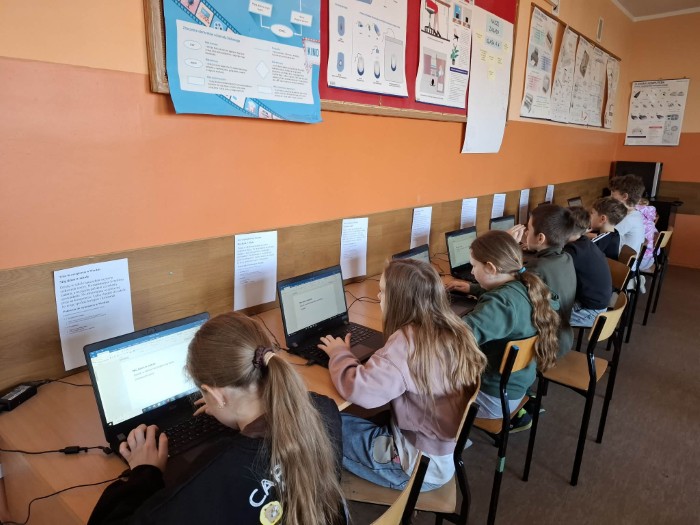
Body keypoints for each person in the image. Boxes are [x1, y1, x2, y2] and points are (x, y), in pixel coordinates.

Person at [89, 313, 345, 525]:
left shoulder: (215, 476)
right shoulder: (323, 409)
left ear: (214, 393)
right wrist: (227, 409)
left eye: (203, 394)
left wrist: (144, 472)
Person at [318, 258, 487, 491]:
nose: (378, 296)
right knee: (343, 417)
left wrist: (339, 353)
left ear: (399, 301)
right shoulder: (454, 329)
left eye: (383, 291)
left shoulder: (406, 344)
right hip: (440, 451)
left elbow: (360, 392)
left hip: (416, 467)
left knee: (317, 422)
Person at [446, 230, 560, 431]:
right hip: (514, 387)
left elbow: (456, 338)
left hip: (491, 398)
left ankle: (450, 440)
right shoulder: (529, 285)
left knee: (422, 385)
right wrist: (474, 288)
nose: (471, 272)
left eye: (474, 266)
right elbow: (508, 301)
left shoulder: (500, 305)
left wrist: (430, 314)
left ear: (491, 268)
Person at [508, 204, 576, 357]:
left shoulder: (537, 267)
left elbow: (506, 287)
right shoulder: (566, 258)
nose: (526, 233)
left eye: (529, 229)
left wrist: (509, 245)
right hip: (564, 337)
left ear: (540, 238)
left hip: (547, 345)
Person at [565, 207, 612, 327]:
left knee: (541, 315)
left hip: (589, 311)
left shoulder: (572, 251)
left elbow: (555, 272)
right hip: (596, 304)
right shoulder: (583, 242)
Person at [609, 175, 646, 260]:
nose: (610, 198)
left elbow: (605, 237)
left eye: (613, 194)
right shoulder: (635, 214)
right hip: (626, 262)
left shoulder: (628, 219)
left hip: (620, 265)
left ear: (624, 196)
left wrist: (584, 234)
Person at [636, 197, 658, 271]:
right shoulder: (651, 221)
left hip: (639, 261)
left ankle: (632, 277)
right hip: (651, 259)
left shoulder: (636, 218)